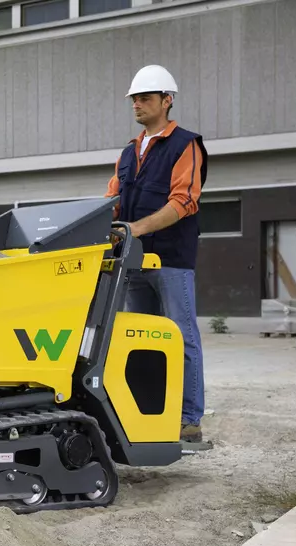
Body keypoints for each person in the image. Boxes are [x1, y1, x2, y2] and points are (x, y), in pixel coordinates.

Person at [104, 65, 208, 443]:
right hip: (132, 262)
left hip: (170, 260)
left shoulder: (185, 145)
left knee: (181, 337)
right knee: (142, 338)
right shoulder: (128, 153)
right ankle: (147, 416)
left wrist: (136, 229)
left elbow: (184, 201)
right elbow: (112, 200)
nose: (137, 104)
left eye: (145, 98)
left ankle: (189, 420)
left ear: (167, 100)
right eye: (134, 99)